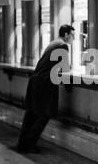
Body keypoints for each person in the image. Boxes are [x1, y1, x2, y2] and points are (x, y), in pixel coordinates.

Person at [16, 25, 75, 153]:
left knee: (31, 113)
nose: (73, 39)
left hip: (35, 80)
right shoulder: (62, 46)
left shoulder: (53, 43)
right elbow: (64, 68)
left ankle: (22, 143)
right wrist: (68, 86)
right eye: (72, 35)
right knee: (44, 114)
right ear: (66, 35)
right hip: (45, 83)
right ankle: (30, 144)